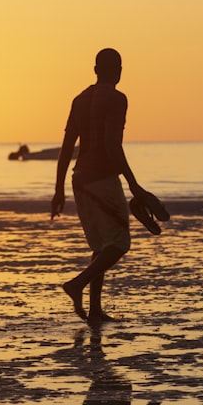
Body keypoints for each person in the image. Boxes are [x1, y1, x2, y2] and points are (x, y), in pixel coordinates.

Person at [51, 48, 149, 324]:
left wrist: (58, 189)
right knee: (118, 244)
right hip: (102, 178)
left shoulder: (79, 99)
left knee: (101, 245)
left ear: (95, 70)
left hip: (79, 177)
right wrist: (134, 185)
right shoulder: (117, 99)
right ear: (119, 71)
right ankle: (76, 284)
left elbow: (67, 146)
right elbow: (111, 145)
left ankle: (95, 309)